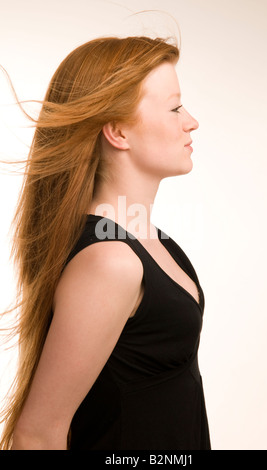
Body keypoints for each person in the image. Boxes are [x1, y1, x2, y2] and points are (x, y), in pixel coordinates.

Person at [0, 36, 211, 450]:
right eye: (174, 107)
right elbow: (36, 436)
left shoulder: (154, 245)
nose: (191, 121)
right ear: (117, 132)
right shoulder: (111, 260)